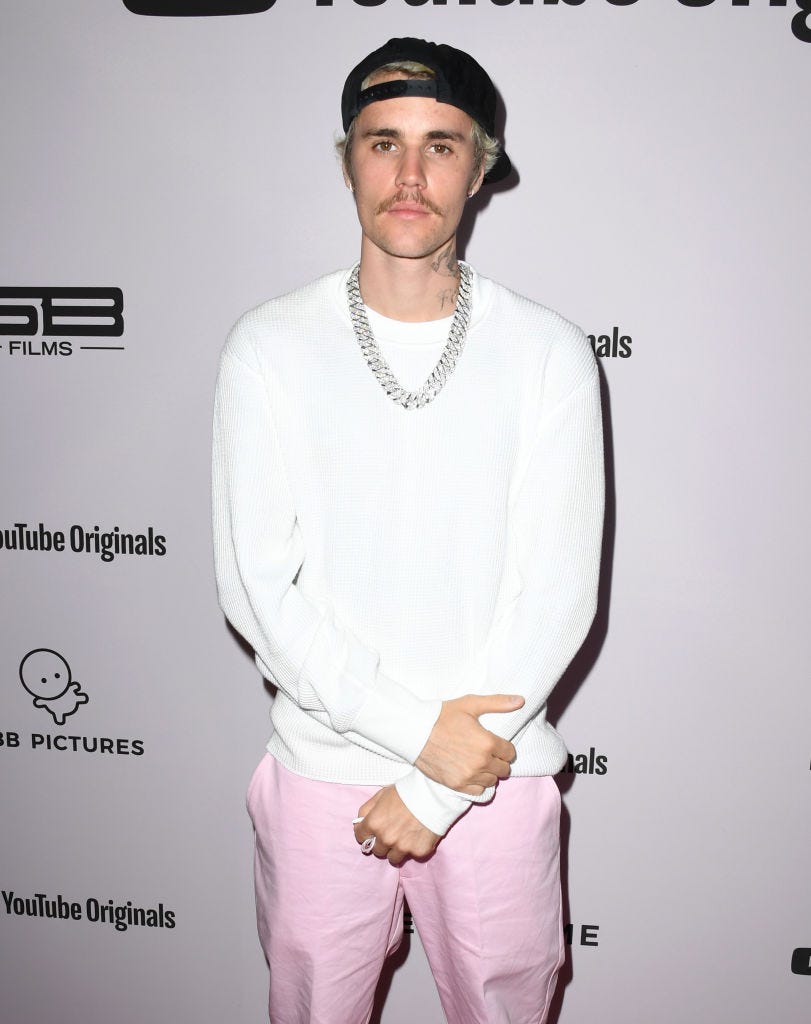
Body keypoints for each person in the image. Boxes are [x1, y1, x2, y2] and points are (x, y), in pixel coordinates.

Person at [212, 36, 604, 1024]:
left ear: (481, 169)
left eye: (441, 145)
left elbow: (556, 592)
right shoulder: (268, 346)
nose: (410, 174)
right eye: (384, 142)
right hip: (324, 779)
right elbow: (258, 588)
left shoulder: (548, 351)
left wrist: (435, 787)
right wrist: (423, 744)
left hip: (494, 778)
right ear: (347, 156)